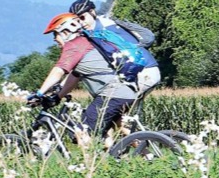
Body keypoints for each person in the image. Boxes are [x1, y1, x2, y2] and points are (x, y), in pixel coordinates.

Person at [29, 13, 138, 142]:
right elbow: (74, 76)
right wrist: (58, 96)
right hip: (125, 92)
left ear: (65, 31)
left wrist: (39, 93)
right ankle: (148, 155)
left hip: (112, 94)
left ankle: (89, 162)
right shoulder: (87, 42)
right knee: (116, 128)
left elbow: (58, 71)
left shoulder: (74, 46)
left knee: (82, 132)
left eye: (55, 34)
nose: (54, 39)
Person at [68, 0, 162, 97]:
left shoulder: (103, 30)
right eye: (78, 21)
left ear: (92, 12)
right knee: (125, 109)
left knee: (110, 104)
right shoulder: (103, 25)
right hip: (146, 70)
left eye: (82, 18)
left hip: (143, 72)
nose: (81, 23)